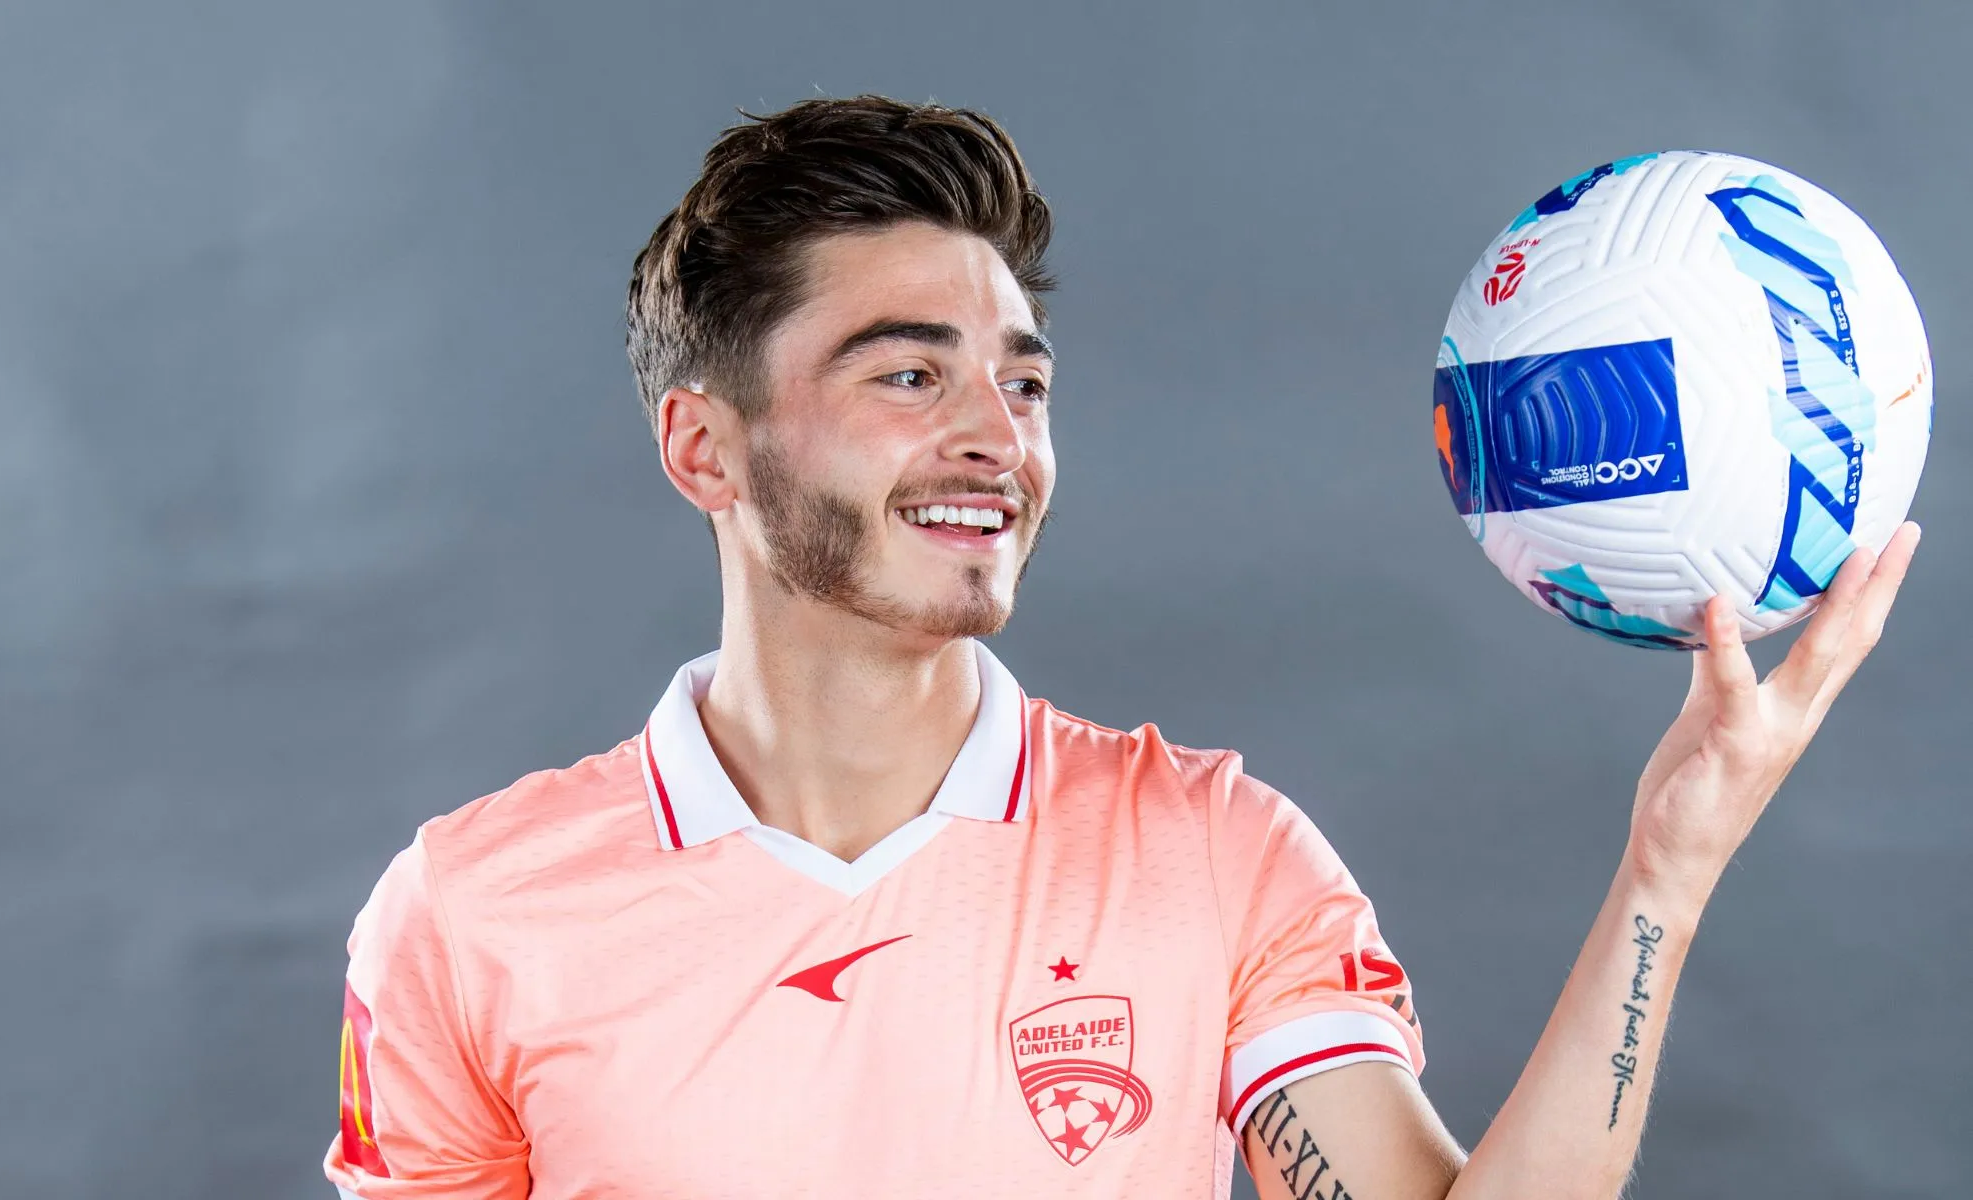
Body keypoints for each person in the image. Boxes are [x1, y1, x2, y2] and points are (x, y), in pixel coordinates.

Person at [322, 95, 1920, 1200]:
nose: (993, 440)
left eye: (1021, 383)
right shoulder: (470, 913)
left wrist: (1670, 865)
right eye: (906, 377)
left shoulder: (1211, 853)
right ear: (705, 450)